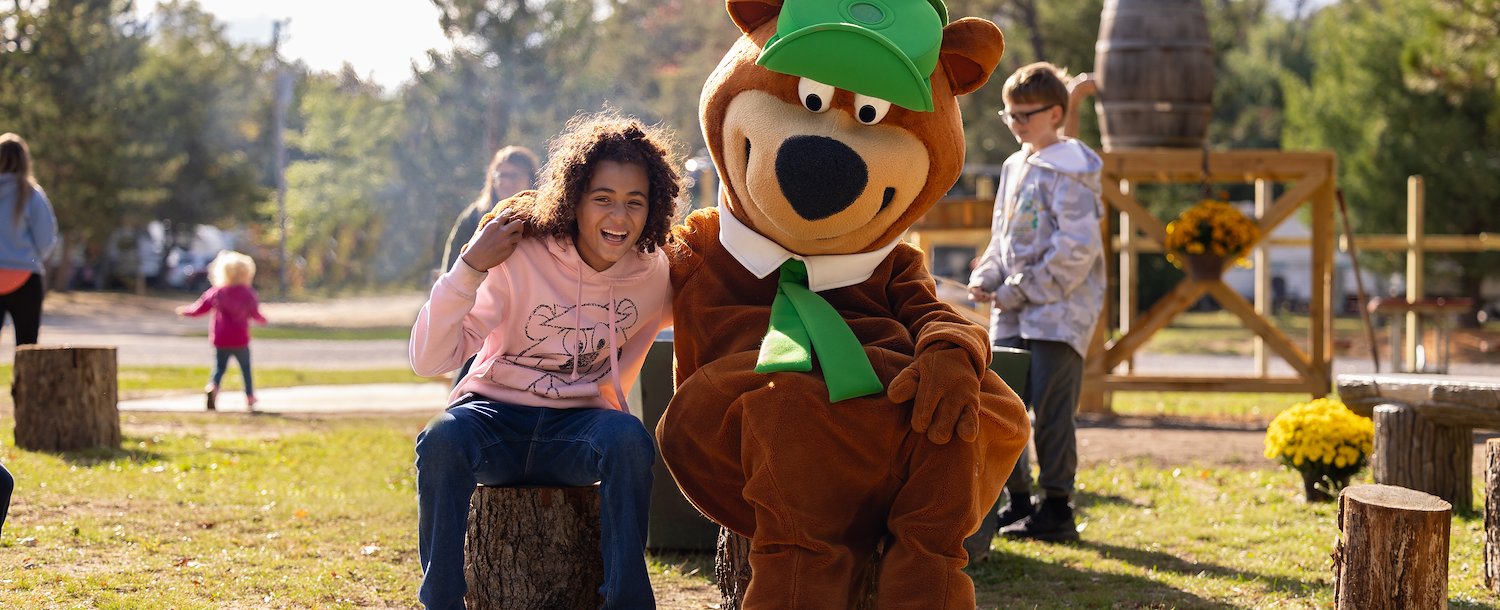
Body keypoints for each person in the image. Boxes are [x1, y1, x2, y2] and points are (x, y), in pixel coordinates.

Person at [409, 110, 683, 610]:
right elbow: (428, 359)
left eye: (634, 202)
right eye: (602, 199)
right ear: (574, 199)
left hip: (580, 432)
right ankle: (441, 603)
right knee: (442, 438)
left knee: (629, 439)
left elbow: (712, 305)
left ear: (653, 208)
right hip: (495, 421)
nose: (618, 218)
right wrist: (469, 266)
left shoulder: (654, 273)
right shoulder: (520, 254)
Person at [966, 62, 1105, 545]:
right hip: (1011, 309)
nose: (1017, 124)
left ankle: (1057, 507)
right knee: (1000, 406)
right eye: (1010, 115)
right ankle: (1018, 500)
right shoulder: (1014, 165)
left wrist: (1017, 288)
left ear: (1056, 114)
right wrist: (987, 276)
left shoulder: (1074, 167)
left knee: (1050, 411)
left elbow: (1076, 250)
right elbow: (1002, 237)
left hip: (1058, 315)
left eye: (1026, 115)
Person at [176, 250, 267, 412]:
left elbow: (200, 308)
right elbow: (255, 313)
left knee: (219, 368)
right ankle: (249, 396)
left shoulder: (217, 292)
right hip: (240, 339)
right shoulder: (248, 294)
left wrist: (186, 311)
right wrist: (262, 320)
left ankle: (213, 387)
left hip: (221, 338)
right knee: (245, 368)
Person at [438, 145, 539, 275]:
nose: (506, 182)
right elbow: (452, 271)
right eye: (501, 175)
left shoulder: (544, 218)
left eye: (514, 176)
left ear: (531, 178)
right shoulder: (473, 218)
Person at [0, 133, 59, 349]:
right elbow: (46, 240)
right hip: (25, 277)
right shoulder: (32, 194)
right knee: (27, 349)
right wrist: (31, 258)